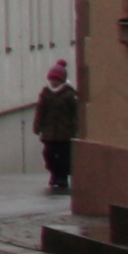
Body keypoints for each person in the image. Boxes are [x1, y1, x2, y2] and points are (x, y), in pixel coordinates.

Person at [34, 58, 82, 193]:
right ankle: (54, 173)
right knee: (48, 154)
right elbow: (40, 110)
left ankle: (62, 177)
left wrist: (76, 128)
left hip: (65, 133)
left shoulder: (70, 94)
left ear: (61, 80)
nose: (53, 82)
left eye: (55, 80)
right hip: (49, 132)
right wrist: (37, 126)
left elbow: (76, 113)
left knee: (64, 156)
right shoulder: (46, 93)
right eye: (51, 79)